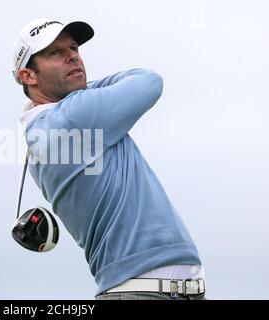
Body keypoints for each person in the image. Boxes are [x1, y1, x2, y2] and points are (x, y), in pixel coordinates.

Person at [11, 18, 207, 300]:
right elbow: (148, 80)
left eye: (74, 48)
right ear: (28, 76)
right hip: (142, 292)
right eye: (55, 53)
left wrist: (78, 88)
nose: (72, 56)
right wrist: (84, 88)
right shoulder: (74, 114)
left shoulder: (43, 130)